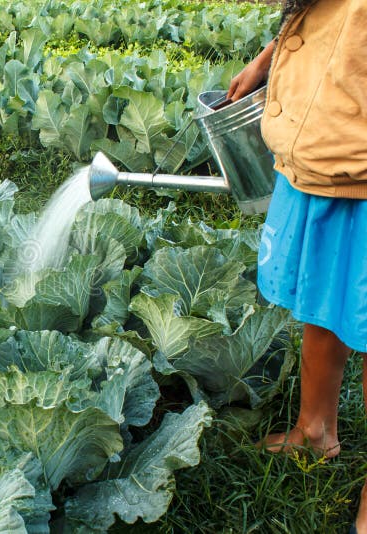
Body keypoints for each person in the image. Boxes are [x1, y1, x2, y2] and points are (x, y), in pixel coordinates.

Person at [227, 0, 367, 532]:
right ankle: (315, 429)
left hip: (358, 155)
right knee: (320, 295)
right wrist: (270, 56)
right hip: (321, 145)